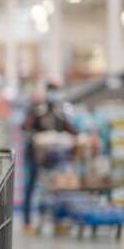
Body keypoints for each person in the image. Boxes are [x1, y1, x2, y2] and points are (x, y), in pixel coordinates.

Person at [21, 83, 76, 233]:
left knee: (56, 189)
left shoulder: (60, 111)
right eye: (51, 92)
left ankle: (58, 221)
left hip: (53, 157)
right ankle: (27, 222)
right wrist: (37, 136)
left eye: (55, 92)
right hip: (34, 155)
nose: (53, 95)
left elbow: (71, 129)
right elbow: (25, 127)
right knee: (30, 187)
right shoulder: (37, 109)